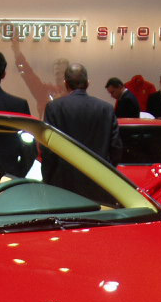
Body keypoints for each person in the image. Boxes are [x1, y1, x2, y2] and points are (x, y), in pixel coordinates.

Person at [42, 63, 121, 201]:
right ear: (88, 83)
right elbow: (116, 148)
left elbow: (48, 150)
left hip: (63, 186)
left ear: (66, 84)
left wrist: (48, 179)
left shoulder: (54, 108)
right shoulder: (106, 109)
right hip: (99, 184)